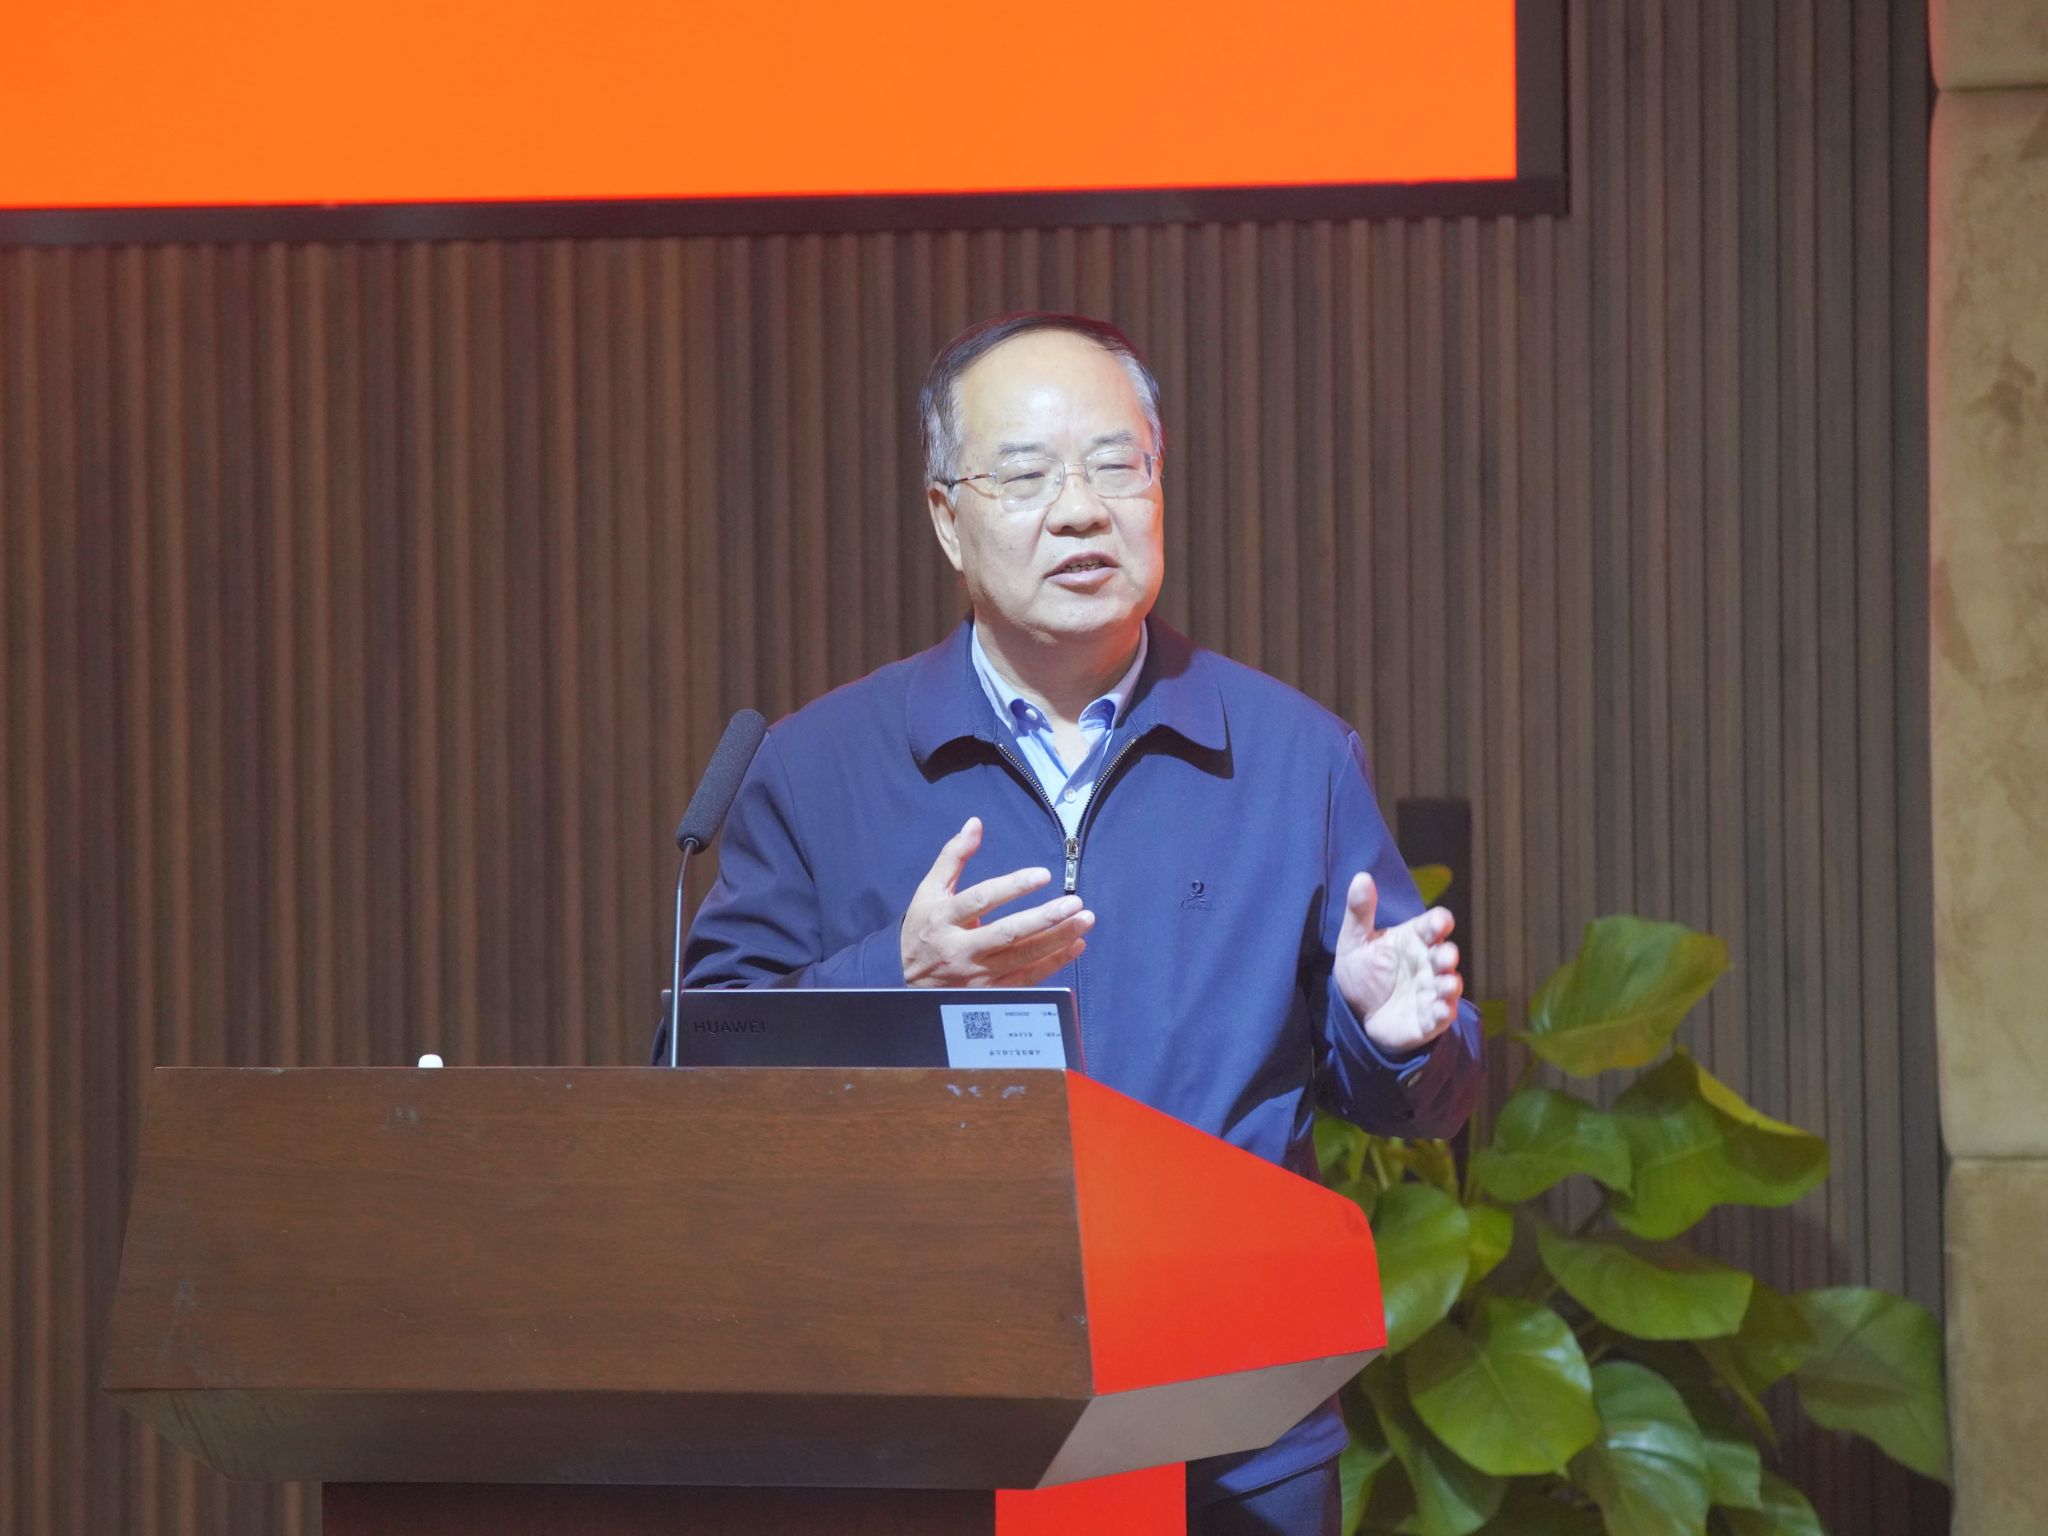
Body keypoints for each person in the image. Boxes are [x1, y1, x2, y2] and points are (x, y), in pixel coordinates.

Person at [670, 312, 1483, 1536]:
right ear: (947, 519)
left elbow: (1429, 1090)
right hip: (912, 1428)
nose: (1080, 511)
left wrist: (1396, 1035)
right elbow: (700, 1062)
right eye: (1025, 474)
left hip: (1228, 1437)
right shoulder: (817, 763)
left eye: (1115, 466)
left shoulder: (1294, 757)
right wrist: (899, 974)